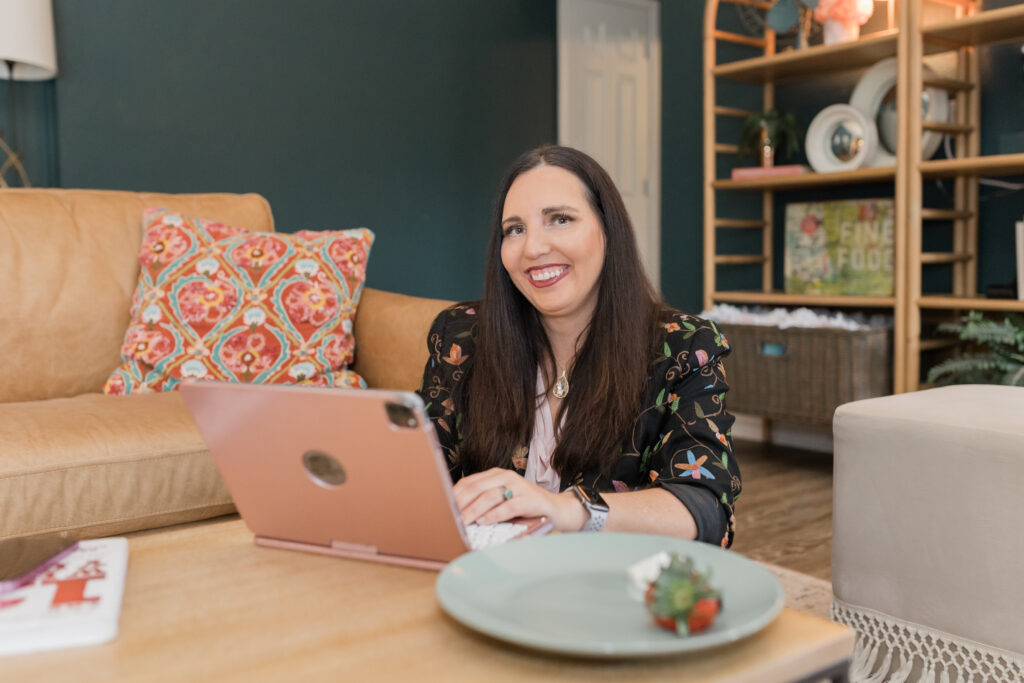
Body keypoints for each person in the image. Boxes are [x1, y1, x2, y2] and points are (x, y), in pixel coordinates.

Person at [417, 145, 740, 547]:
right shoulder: (460, 337)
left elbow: (705, 509)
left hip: (610, 588)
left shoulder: (686, 346)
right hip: (487, 580)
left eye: (560, 219)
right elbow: (419, 471)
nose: (533, 247)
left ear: (608, 230)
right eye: (515, 229)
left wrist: (569, 509)